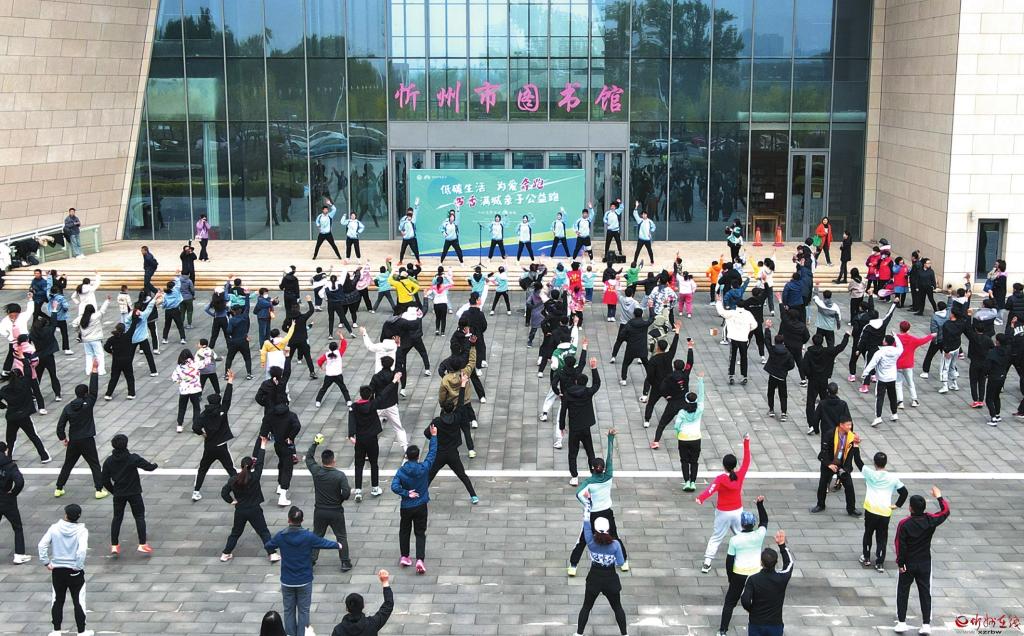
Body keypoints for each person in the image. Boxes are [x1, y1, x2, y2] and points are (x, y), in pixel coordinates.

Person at [265, 506, 341, 636]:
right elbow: (323, 543)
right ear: (302, 520)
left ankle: (290, 633)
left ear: (288, 520)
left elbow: (268, 545)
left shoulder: (281, 536)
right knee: (304, 611)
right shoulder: (308, 537)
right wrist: (337, 545)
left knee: (288, 610)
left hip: (287, 580)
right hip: (304, 580)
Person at [894, 486, 950, 634]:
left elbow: (900, 545)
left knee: (903, 591)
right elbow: (945, 511)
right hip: (925, 562)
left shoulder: (904, 524)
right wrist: (939, 496)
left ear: (910, 508)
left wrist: (900, 563)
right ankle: (926, 624)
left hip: (908, 563)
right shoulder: (930, 520)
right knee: (925, 592)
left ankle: (901, 622)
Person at [572, 497, 628, 636]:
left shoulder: (591, 542)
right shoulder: (615, 544)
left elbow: (586, 524)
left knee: (586, 607)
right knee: (617, 608)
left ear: (595, 529)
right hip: (610, 579)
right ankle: (624, 634)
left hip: (594, 578)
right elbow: (621, 563)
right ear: (608, 528)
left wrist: (587, 507)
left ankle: (579, 634)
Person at [697, 435, 751, 572]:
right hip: (737, 511)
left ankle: (707, 563)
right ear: (735, 465)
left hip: (723, 512)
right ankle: (746, 558)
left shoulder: (720, 479)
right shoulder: (739, 475)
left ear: (724, 465)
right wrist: (746, 442)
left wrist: (701, 498)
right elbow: (747, 461)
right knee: (740, 534)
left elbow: (711, 490)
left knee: (716, 537)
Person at [220, 437, 279, 562]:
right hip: (254, 509)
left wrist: (232, 501)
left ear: (241, 466)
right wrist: (263, 445)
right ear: (252, 466)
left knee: (235, 533)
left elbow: (224, 492)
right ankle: (272, 554)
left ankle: (226, 553)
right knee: (263, 532)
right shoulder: (255, 476)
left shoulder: (234, 479)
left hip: (240, 510)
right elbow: (260, 463)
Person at [55, 361, 107, 500]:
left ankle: (59, 488)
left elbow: (60, 426)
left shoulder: (68, 407)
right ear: (85, 394)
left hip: (74, 440)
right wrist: (94, 370)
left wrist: (63, 438)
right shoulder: (88, 404)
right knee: (94, 464)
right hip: (87, 439)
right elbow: (94, 390)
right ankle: (99, 489)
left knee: (68, 465)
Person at [718, 496, 769, 636]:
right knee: (758, 601)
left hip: (739, 574)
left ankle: (722, 630)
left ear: (741, 524)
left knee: (730, 603)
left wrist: (730, 577)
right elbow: (764, 521)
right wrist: (760, 505)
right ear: (753, 524)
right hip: (756, 573)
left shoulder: (735, 540)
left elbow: (729, 561)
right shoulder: (759, 535)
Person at [425, 375, 480, 503]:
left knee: (430, 475)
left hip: (439, 453)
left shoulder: (437, 421)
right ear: (452, 409)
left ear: (443, 409)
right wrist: (463, 384)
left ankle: (422, 495)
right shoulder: (457, 417)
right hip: (453, 453)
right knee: (462, 475)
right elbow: (460, 402)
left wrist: (434, 436)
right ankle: (473, 496)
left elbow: (426, 434)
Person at [853, 449, 909, 572]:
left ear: (874, 463)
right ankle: (879, 563)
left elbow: (858, 461)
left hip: (871, 510)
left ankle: (866, 558)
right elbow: (904, 492)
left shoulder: (870, 474)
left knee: (868, 533)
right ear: (886, 463)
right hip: (885, 512)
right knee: (882, 538)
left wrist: (855, 446)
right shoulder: (893, 478)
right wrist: (897, 505)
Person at [39, 503, 90, 636]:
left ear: (66, 515)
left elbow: (42, 545)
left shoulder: (54, 528)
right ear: (79, 516)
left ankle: (56, 630)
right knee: (78, 601)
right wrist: (78, 566)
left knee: (57, 600)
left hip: (58, 570)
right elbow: (82, 551)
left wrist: (46, 562)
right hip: (74, 571)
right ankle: (81, 631)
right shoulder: (82, 531)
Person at [101, 433, 156, 555]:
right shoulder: (132, 458)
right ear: (126, 444)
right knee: (139, 517)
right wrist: (155, 465)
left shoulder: (109, 461)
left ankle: (114, 545)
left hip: (119, 493)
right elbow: (149, 467)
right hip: (134, 492)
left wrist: (113, 490)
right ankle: (142, 544)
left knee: (117, 518)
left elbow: (104, 480)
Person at [305, 435, 353, 571]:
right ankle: (345, 562)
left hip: (320, 510)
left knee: (317, 535)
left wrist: (315, 443)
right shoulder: (339, 475)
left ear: (322, 461)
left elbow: (308, 458)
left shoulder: (317, 472)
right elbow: (346, 493)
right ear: (333, 461)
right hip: (336, 511)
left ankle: (311, 560)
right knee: (341, 536)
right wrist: (340, 499)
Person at [349, 375, 400, 501]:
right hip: (372, 439)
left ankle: (358, 491)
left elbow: (351, 421)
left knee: (358, 464)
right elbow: (384, 394)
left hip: (360, 439)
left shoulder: (354, 407)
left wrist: (351, 435)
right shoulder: (373, 405)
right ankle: (375, 487)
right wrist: (394, 381)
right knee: (374, 463)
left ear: (361, 395)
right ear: (370, 395)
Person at [392, 433, 436, 574]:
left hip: (406, 506)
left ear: (406, 456)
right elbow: (432, 454)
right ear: (418, 456)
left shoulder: (401, 471)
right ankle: (420, 560)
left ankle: (405, 556)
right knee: (420, 532)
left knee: (404, 531)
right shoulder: (424, 468)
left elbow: (394, 486)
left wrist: (406, 493)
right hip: (421, 505)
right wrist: (434, 437)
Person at [191, 370, 238, 501]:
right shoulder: (222, 410)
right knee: (231, 469)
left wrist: (202, 433)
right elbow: (227, 398)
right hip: (222, 446)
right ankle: (240, 489)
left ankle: (196, 491)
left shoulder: (204, 414)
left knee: (202, 469)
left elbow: (195, 427)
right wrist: (230, 381)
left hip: (209, 446)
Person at [740, 530, 794, 636]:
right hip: (775, 623)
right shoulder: (782, 578)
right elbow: (789, 564)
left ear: (761, 562)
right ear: (776, 562)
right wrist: (782, 545)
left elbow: (745, 600)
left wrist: (752, 611)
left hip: (756, 623)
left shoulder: (753, 579)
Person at [810, 418, 861, 515]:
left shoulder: (852, 437)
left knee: (849, 486)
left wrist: (846, 469)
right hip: (829, 463)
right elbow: (824, 452)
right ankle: (820, 505)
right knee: (823, 485)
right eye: (848, 425)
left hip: (842, 465)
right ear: (841, 425)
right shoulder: (830, 434)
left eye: (850, 425)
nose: (850, 427)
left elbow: (851, 455)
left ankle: (851, 509)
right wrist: (829, 464)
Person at [0, 368, 50, 462]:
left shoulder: (5, 389)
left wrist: (4, 406)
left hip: (11, 416)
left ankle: (8, 457)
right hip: (23, 416)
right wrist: (24, 361)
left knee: (10, 440)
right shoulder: (25, 386)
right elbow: (28, 373)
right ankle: (44, 456)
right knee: (33, 436)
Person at [332, 569, 394, 636]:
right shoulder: (372, 624)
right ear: (363, 606)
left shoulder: (338, 630)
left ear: (347, 608)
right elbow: (388, 605)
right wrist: (385, 582)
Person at [862, 334, 905, 427]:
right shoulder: (897, 351)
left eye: (884, 340)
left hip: (882, 378)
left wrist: (865, 373)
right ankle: (894, 414)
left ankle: (878, 417)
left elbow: (872, 363)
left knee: (879, 398)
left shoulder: (880, 352)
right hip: (892, 377)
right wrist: (896, 336)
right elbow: (900, 346)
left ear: (885, 342)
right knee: (892, 396)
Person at [717, 297, 759, 385]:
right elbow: (754, 325)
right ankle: (744, 376)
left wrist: (719, 302)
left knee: (732, 356)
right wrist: (747, 330)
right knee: (744, 357)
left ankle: (731, 375)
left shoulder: (732, 313)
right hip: (743, 338)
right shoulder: (748, 314)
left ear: (736, 305)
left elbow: (721, 312)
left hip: (733, 338)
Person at [0, 441, 29, 564]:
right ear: (6, 450)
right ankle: (19, 554)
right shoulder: (10, 466)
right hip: (7, 500)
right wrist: (13, 493)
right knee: (17, 527)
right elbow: (19, 482)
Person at [896, 321, 933, 409]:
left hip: (898, 365)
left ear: (900, 328)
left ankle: (900, 402)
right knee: (910, 383)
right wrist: (931, 336)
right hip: (908, 365)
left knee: (898, 384)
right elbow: (923, 341)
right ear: (908, 329)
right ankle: (914, 400)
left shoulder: (896, 339)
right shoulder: (912, 339)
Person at [763, 321, 796, 421]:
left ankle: (771, 409)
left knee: (770, 392)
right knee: (783, 395)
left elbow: (767, 342)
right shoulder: (788, 353)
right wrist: (785, 369)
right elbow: (792, 365)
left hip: (773, 374)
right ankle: (783, 413)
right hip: (782, 376)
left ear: (775, 342)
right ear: (783, 342)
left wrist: (767, 329)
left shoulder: (773, 350)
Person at [72, 297, 110, 376]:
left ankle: (88, 370)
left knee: (89, 355)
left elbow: (74, 324)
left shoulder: (81, 318)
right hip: (96, 339)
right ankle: (101, 370)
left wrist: (79, 331)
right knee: (99, 355)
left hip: (86, 340)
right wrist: (107, 301)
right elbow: (102, 310)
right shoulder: (95, 316)